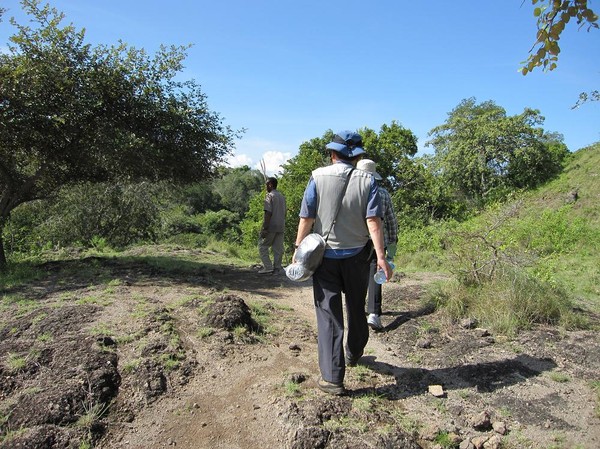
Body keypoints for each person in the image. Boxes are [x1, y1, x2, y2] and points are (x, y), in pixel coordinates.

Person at [293, 130, 392, 395]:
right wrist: (381, 257)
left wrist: (298, 249)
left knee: (329, 314)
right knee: (356, 307)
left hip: (324, 258)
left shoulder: (316, 177)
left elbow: (306, 218)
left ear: (332, 153)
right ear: (358, 155)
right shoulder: (368, 181)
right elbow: (374, 221)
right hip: (358, 257)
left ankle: (333, 378)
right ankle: (355, 350)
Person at [356, 159, 399, 331]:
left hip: (355, 241)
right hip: (377, 241)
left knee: (357, 275)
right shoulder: (383, 193)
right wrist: (393, 241)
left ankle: (356, 310)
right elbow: (391, 220)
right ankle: (373, 313)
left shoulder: (352, 192)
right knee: (376, 273)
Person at [258, 177, 286, 274]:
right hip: (281, 226)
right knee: (278, 249)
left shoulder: (269, 196)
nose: (266, 187)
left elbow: (268, 213)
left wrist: (265, 228)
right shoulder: (282, 196)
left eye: (266, 185)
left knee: (263, 246)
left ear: (270, 185)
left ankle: (268, 267)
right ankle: (277, 268)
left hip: (271, 226)